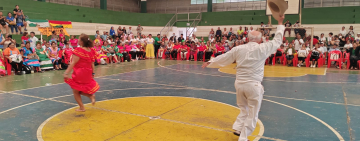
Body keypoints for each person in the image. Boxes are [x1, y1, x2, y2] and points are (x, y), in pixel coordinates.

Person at [202, 14, 285, 141]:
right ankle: (243, 137)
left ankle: (238, 127)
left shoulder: (239, 48)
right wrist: (280, 22)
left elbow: (225, 57)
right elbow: (278, 40)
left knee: (243, 108)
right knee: (253, 112)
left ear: (248, 39)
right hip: (253, 85)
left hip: (239, 84)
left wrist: (210, 62)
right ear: (259, 40)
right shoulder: (263, 48)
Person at [63, 34, 99, 112]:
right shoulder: (91, 50)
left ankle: (82, 107)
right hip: (88, 72)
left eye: (79, 39)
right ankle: (90, 96)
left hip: (80, 73)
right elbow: (92, 64)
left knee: (75, 91)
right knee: (79, 89)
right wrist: (93, 73)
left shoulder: (79, 50)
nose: (78, 40)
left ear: (81, 42)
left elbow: (73, 63)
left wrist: (66, 73)